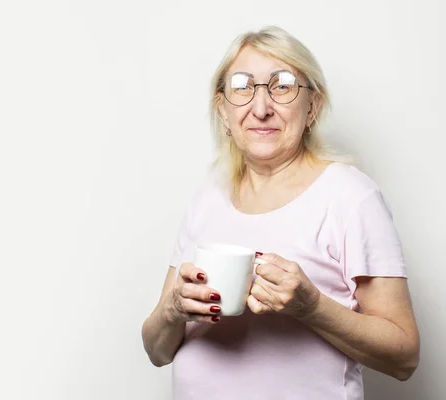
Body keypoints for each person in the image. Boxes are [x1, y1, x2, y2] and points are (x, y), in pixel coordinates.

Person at [141, 26, 420, 400]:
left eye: (283, 85)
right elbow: (158, 351)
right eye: (242, 87)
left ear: (313, 107)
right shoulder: (207, 198)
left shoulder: (351, 197)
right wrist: (174, 310)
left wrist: (312, 307)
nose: (261, 108)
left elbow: (404, 358)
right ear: (223, 110)